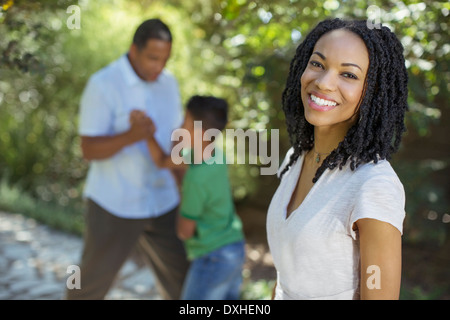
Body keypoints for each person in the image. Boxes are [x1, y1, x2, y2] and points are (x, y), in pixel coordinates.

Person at [266, 18, 409, 300]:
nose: (323, 83)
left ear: (373, 92)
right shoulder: (296, 158)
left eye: (349, 75)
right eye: (318, 64)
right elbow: (287, 276)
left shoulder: (373, 185)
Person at [67, 18, 190, 300]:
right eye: (152, 58)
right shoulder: (103, 84)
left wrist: (186, 191)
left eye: (164, 59)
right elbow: (88, 149)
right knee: (87, 288)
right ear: (134, 50)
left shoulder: (168, 84)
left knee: (185, 285)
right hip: (114, 204)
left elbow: (174, 143)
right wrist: (132, 135)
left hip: (163, 202)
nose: (158, 67)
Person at [131, 95, 246, 300]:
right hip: (234, 249)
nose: (179, 127)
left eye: (185, 122)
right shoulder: (214, 155)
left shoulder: (195, 179)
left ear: (199, 133)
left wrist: (182, 190)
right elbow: (163, 161)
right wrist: (148, 134)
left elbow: (184, 231)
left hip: (213, 257)